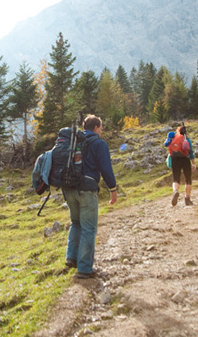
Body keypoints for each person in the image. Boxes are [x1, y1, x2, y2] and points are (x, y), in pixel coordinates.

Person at [63, 114, 118, 279]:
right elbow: (106, 169)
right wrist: (113, 189)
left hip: (69, 188)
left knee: (76, 223)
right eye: (101, 128)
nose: (101, 131)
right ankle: (85, 269)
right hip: (87, 189)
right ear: (95, 128)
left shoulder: (73, 141)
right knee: (89, 228)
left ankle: (71, 258)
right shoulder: (99, 143)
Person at [168, 125, 195, 206]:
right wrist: (193, 163)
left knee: (175, 178)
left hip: (175, 159)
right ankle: (187, 199)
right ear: (186, 132)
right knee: (188, 179)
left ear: (178, 131)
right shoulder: (187, 140)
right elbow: (191, 153)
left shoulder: (174, 138)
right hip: (185, 159)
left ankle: (175, 191)